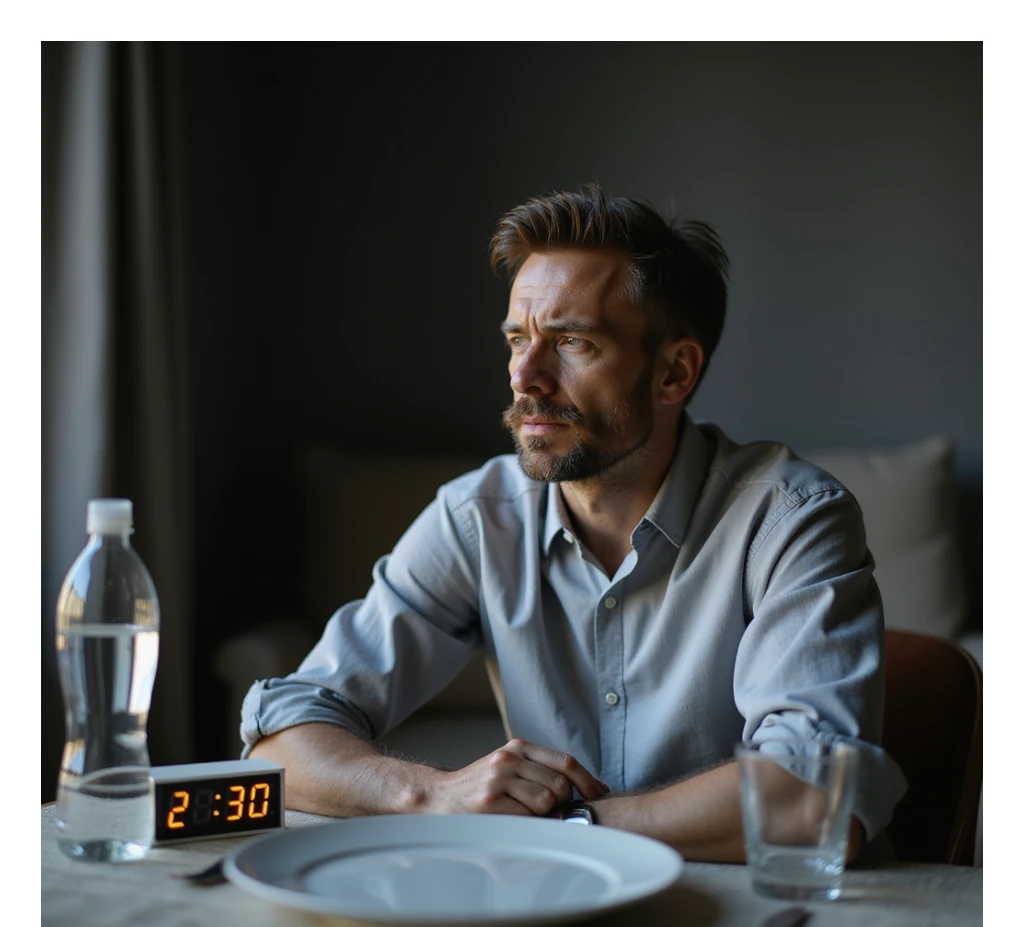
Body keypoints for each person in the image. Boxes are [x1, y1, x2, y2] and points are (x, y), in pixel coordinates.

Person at [242, 184, 906, 863]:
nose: (525, 376)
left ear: (674, 372)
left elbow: (813, 798)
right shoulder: (478, 519)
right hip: (551, 915)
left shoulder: (790, 521)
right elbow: (285, 737)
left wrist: (568, 828)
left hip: (757, 925)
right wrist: (431, 795)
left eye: (573, 342)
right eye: (516, 339)